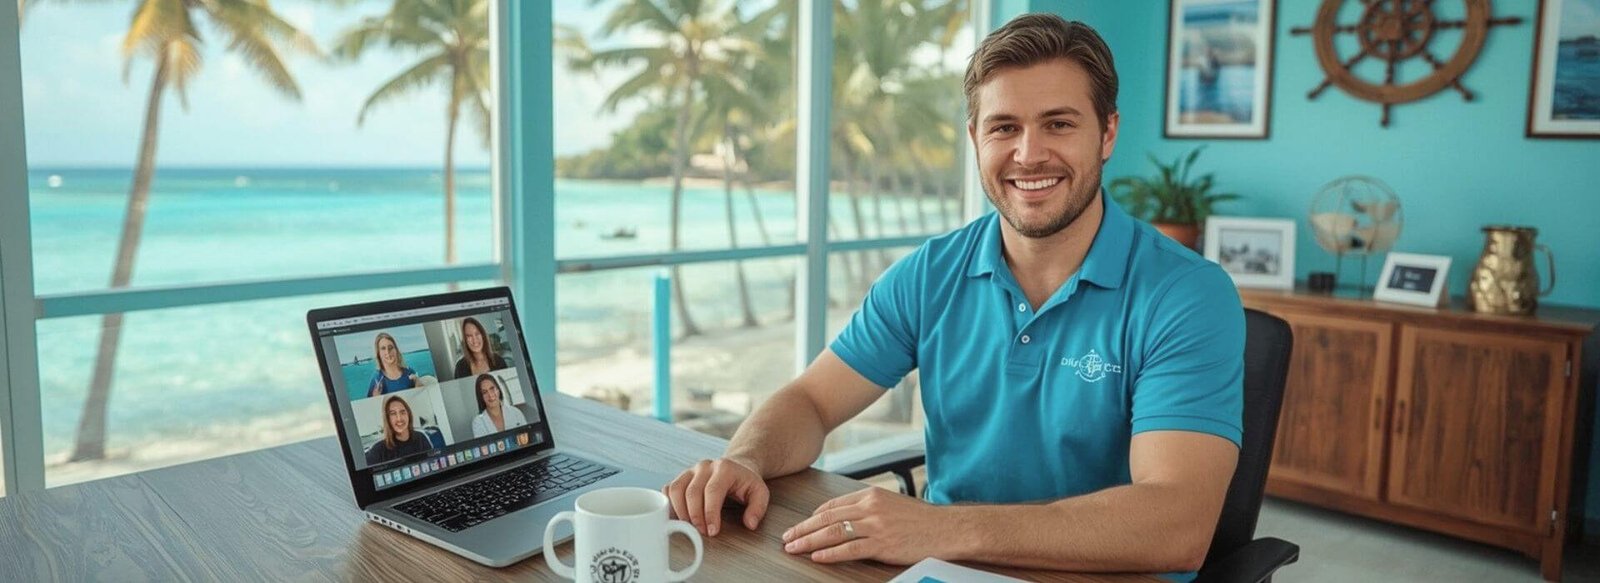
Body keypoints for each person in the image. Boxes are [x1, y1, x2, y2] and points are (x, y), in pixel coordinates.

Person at [663, 14, 1243, 580]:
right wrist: (745, 458)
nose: (1029, 153)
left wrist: (939, 528)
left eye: (1059, 124)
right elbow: (812, 400)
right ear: (975, 137)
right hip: (940, 570)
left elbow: (1177, 523)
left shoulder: (1186, 294)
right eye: (1004, 127)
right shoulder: (929, 273)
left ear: (1108, 133)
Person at [365, 395, 432, 465]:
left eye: (402, 412)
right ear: (388, 419)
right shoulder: (378, 451)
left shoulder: (421, 437)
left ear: (408, 414)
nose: (399, 418)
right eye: (393, 414)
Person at [470, 373, 527, 438]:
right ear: (481, 397)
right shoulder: (478, 422)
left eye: (492, 389)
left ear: (498, 390)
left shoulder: (516, 412)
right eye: (484, 392)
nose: (490, 395)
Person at [367, 332, 419, 397]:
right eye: (383, 348)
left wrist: (418, 383)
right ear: (378, 354)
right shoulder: (377, 378)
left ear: (396, 350)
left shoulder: (409, 372)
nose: (387, 352)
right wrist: (376, 398)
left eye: (390, 347)